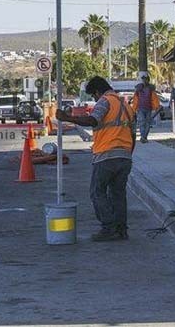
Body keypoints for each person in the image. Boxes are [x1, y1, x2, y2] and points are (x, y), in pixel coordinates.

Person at [56, 76, 136, 241]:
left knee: (97, 192)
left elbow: (93, 120)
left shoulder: (105, 101)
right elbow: (133, 134)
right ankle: (121, 229)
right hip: (125, 157)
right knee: (118, 194)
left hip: (106, 155)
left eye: (93, 96)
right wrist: (127, 154)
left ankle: (109, 228)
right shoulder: (126, 105)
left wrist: (67, 118)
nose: (94, 99)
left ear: (98, 92)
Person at [131, 75, 160, 143]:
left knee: (147, 123)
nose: (144, 81)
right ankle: (143, 137)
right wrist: (133, 109)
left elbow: (154, 99)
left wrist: (156, 107)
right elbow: (136, 100)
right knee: (142, 123)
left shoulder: (151, 89)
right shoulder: (139, 89)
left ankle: (144, 137)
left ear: (148, 80)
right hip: (140, 108)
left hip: (148, 108)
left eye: (145, 79)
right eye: (143, 79)